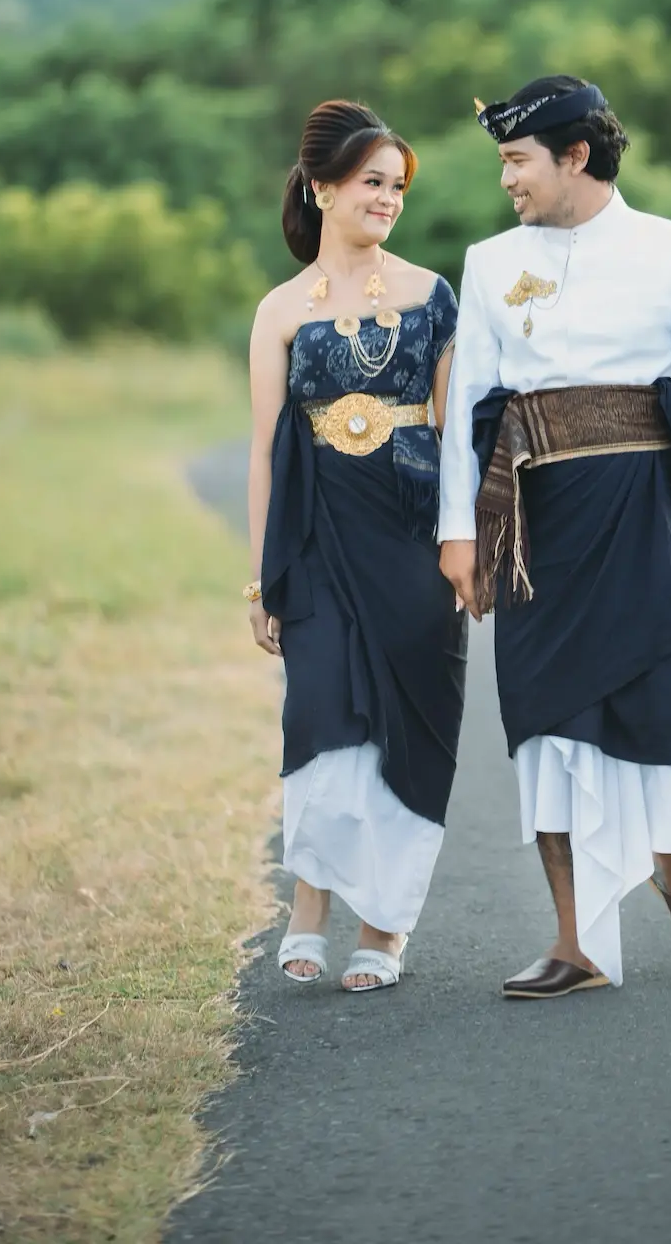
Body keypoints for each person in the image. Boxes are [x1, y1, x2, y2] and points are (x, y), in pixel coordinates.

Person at [437, 75, 671, 999]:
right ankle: (578, 944)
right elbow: (471, 400)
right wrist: (458, 532)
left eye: (518, 161)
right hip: (530, 519)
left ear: (576, 156)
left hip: (640, 507)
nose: (507, 180)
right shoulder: (489, 262)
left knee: (657, 702)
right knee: (541, 719)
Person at [246, 100, 467, 992]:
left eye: (398, 186)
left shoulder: (433, 294)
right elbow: (264, 450)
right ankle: (308, 911)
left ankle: (386, 928)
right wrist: (260, 581)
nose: (388, 199)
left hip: (414, 537)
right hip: (317, 538)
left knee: (411, 727)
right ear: (322, 187)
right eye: (373, 182)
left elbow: (458, 436)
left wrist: (466, 545)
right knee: (322, 716)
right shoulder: (279, 309)